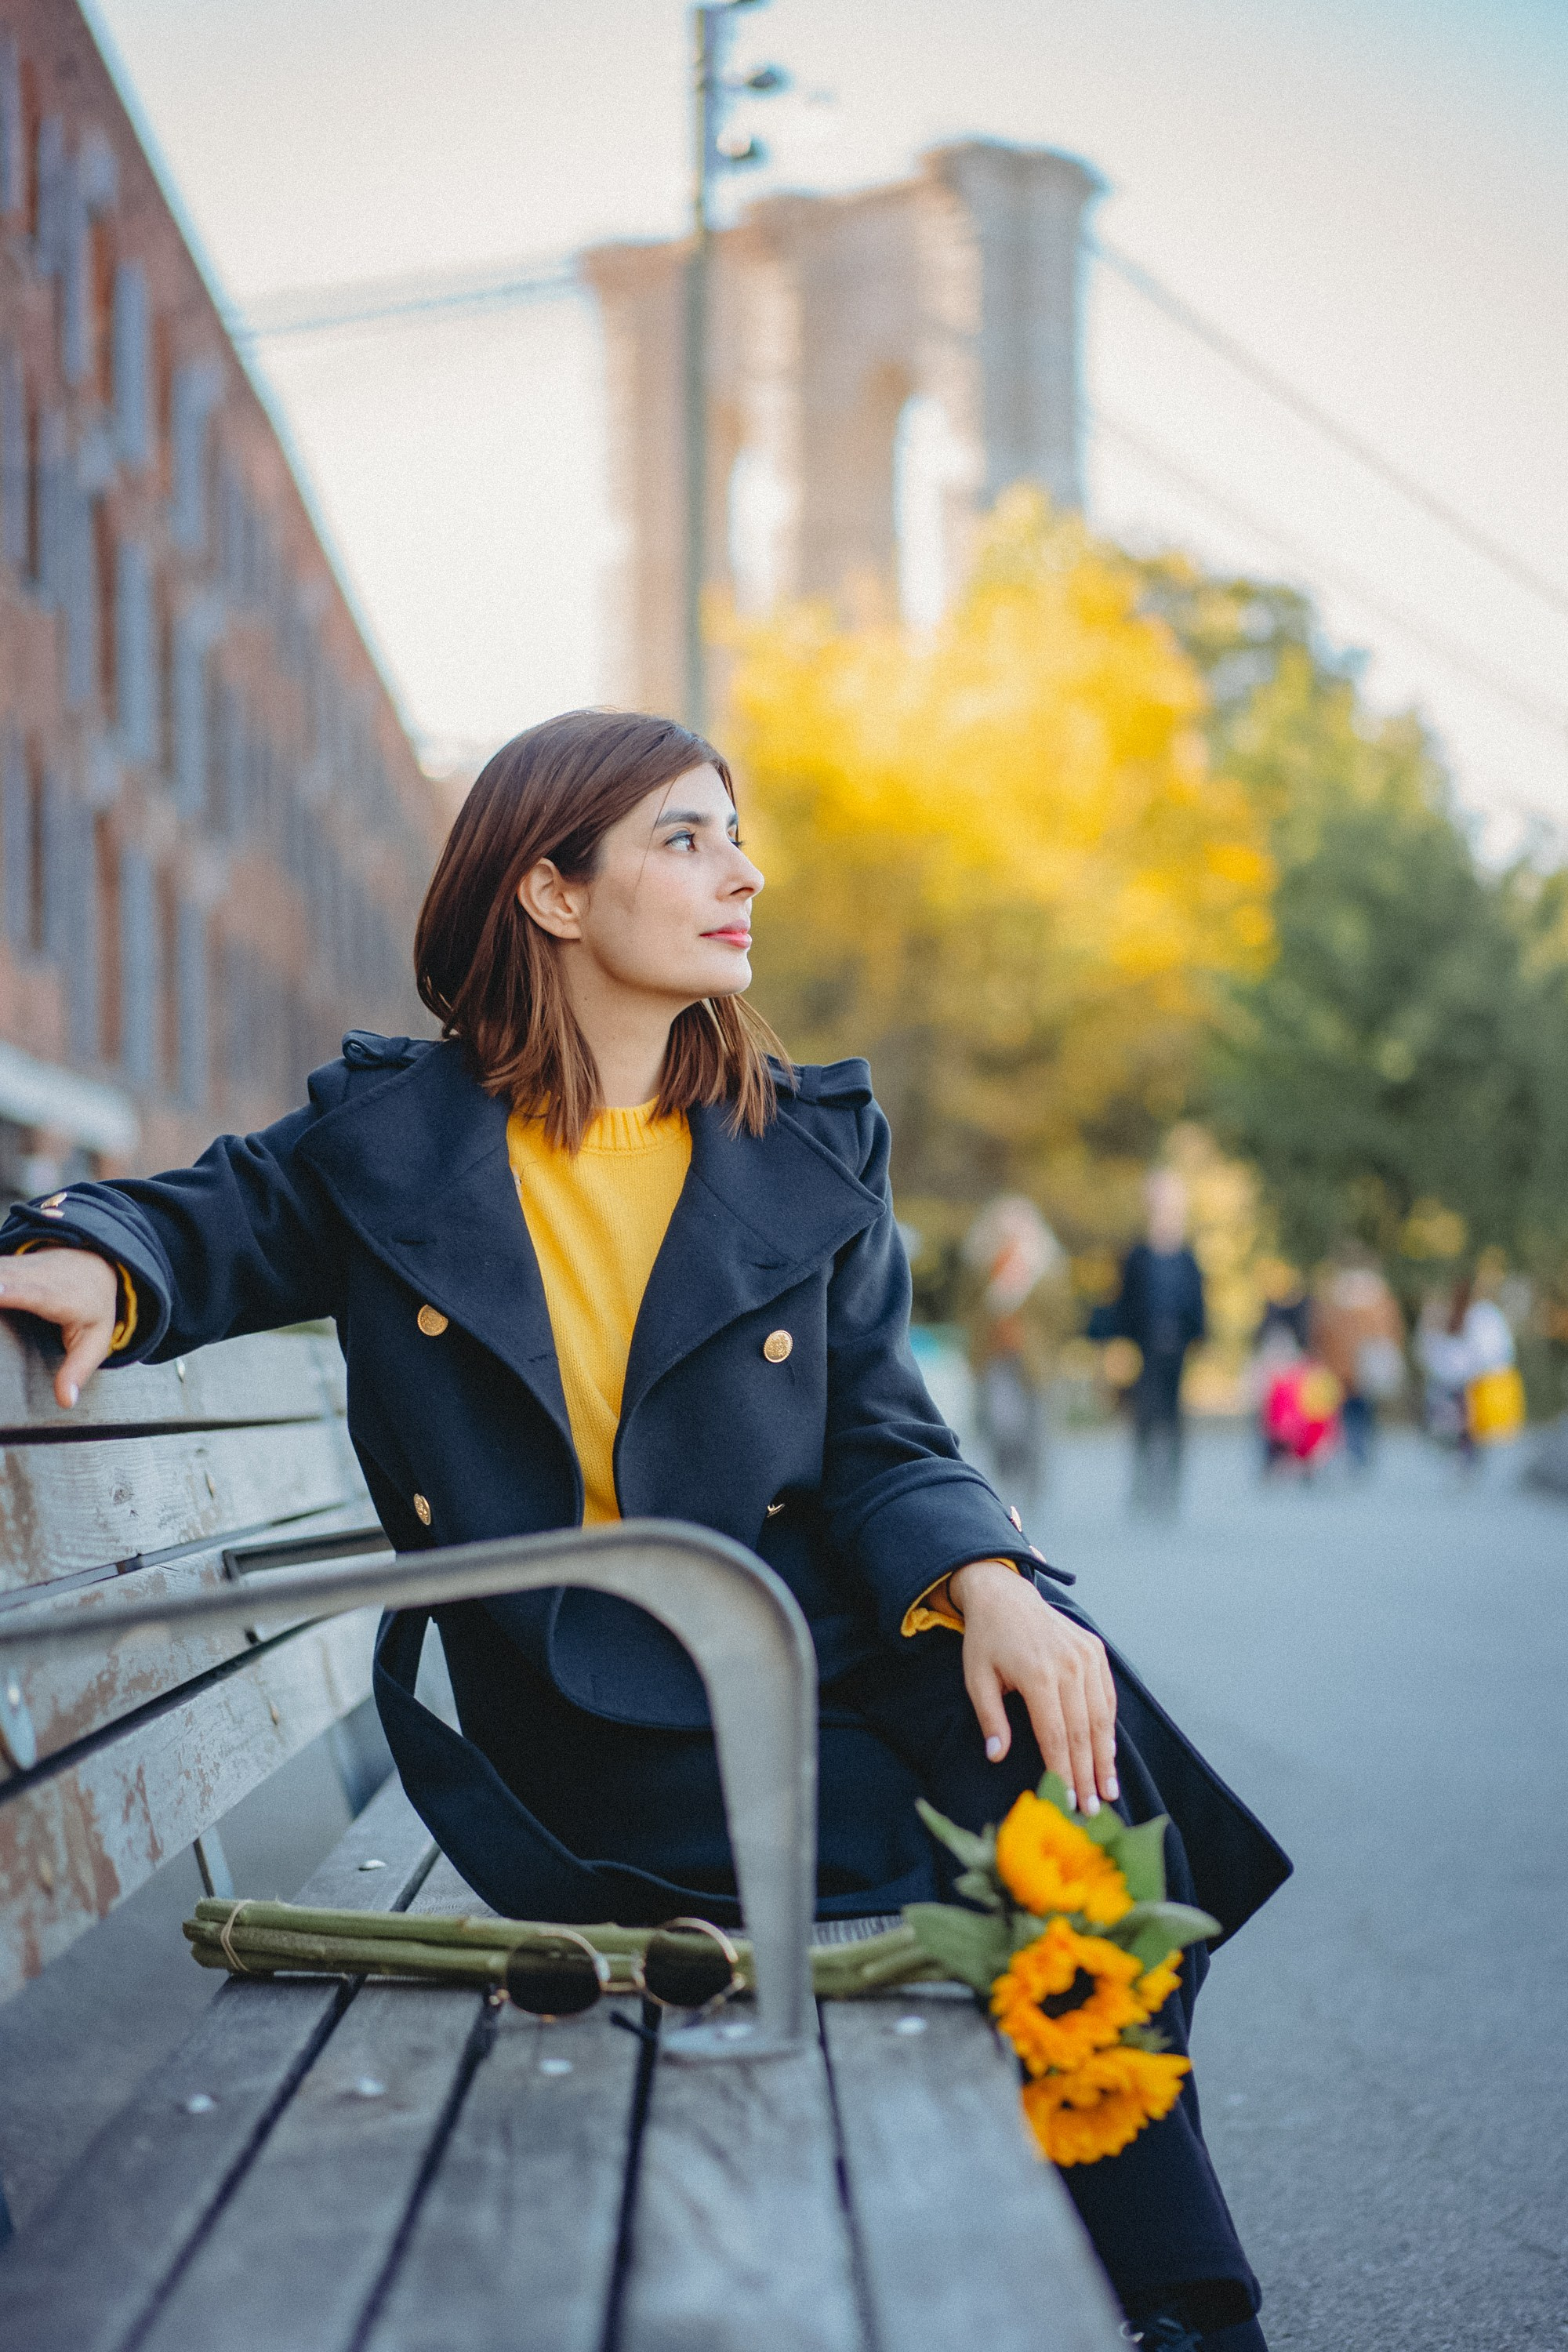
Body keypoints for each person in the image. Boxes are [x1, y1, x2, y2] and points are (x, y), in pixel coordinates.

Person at [0, 712, 1287, 2351]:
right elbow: (204, 1223)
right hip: (596, 1716)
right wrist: (99, 1261)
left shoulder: (802, 1144)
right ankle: (1157, 2296)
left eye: (734, 834)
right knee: (1060, 1843)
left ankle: (1177, 2305)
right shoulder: (393, 1144)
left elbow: (882, 1435)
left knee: (1070, 1754)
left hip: (803, 1657)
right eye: (685, 838)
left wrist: (997, 1582)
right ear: (550, 890)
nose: (742, 873)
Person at [1091, 1173, 1207, 1515]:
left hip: (1177, 1350)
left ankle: (1169, 1489)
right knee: (1144, 1417)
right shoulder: (1137, 1256)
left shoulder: (1188, 1257)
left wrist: (1194, 1338)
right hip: (1144, 1349)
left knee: (1172, 1420)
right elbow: (1123, 1303)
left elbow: (1198, 1306)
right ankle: (1143, 1487)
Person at [1309, 1258, 1405, 1471]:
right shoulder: (1376, 1299)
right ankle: (1357, 1452)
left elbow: (1322, 1334)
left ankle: (1354, 1452)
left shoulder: (1338, 1300)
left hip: (1349, 1368)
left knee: (1350, 1410)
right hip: (1357, 1369)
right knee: (1358, 1410)